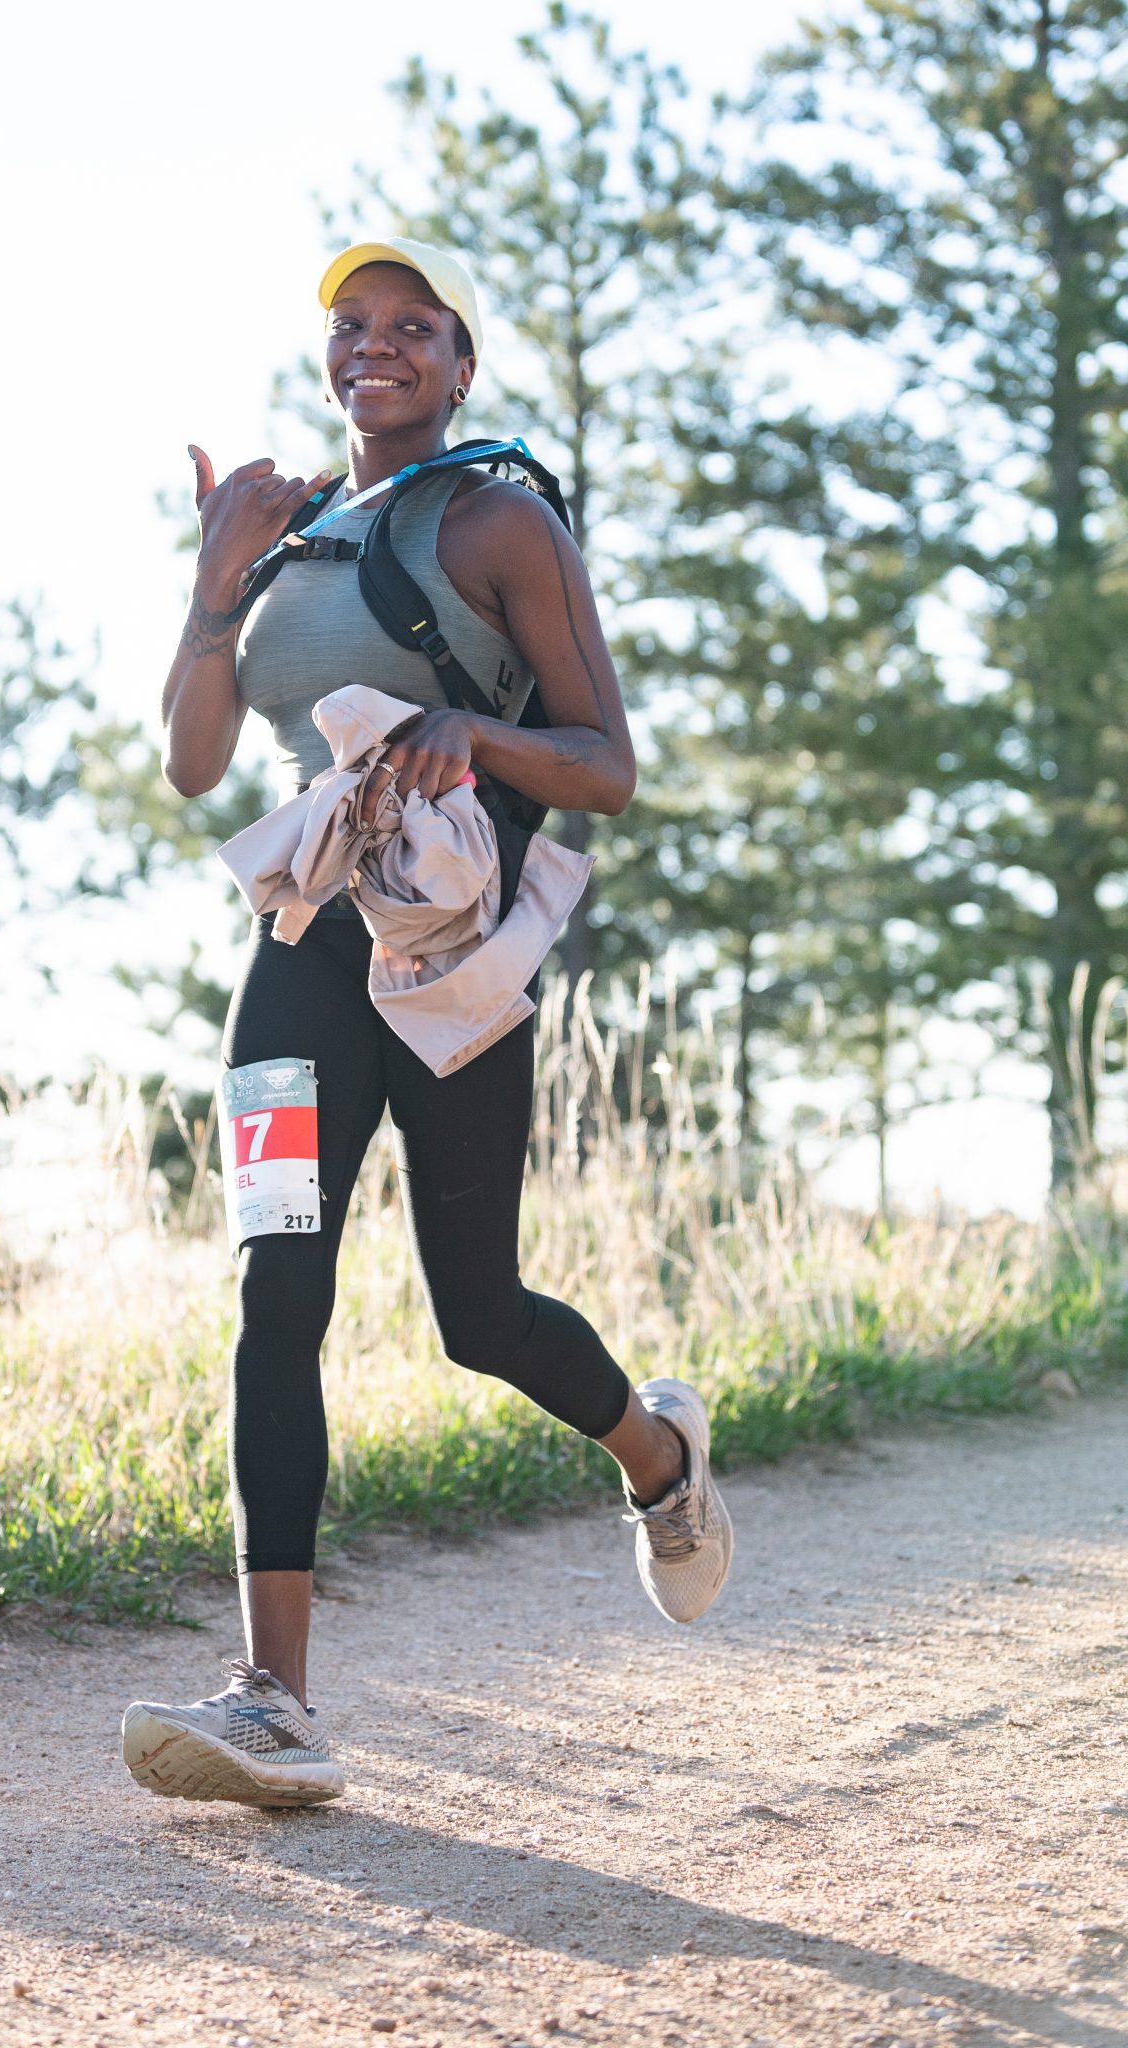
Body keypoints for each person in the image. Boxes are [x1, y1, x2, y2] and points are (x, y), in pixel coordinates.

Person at [122, 238, 731, 1810]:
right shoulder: (284, 534)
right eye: (349, 325)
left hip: (449, 954)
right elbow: (194, 765)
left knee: (478, 1314)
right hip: (300, 949)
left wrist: (470, 729)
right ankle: (275, 1700)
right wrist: (211, 587)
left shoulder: (498, 522)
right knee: (275, 1288)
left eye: (410, 326)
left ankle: (656, 1455)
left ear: (461, 364)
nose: (371, 346)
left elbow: (604, 765)